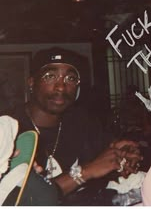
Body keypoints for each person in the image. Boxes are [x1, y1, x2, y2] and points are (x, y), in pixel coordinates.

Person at [6, 47, 142, 205]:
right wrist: (84, 172)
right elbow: (21, 201)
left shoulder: (83, 122)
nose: (61, 87)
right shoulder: (8, 129)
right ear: (31, 82)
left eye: (70, 79)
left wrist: (122, 158)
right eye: (50, 76)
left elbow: (105, 165)